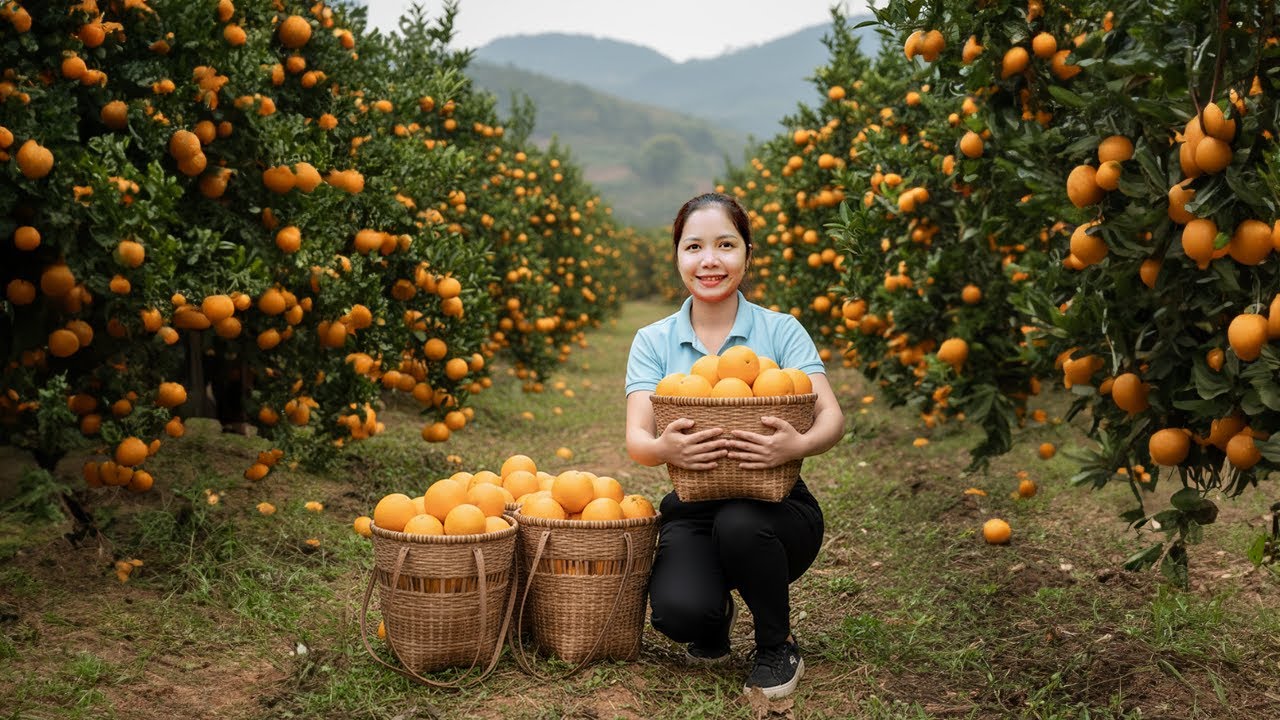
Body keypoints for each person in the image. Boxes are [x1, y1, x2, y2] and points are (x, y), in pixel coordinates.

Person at [624, 192, 846, 699]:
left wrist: (798, 443)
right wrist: (666, 451)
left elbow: (832, 415)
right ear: (677, 255)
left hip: (777, 509)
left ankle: (776, 644)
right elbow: (638, 438)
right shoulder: (653, 340)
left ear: (747, 253)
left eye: (725, 245)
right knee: (681, 614)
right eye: (693, 246)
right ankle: (714, 608)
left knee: (741, 521)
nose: (709, 260)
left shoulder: (780, 329)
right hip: (695, 506)